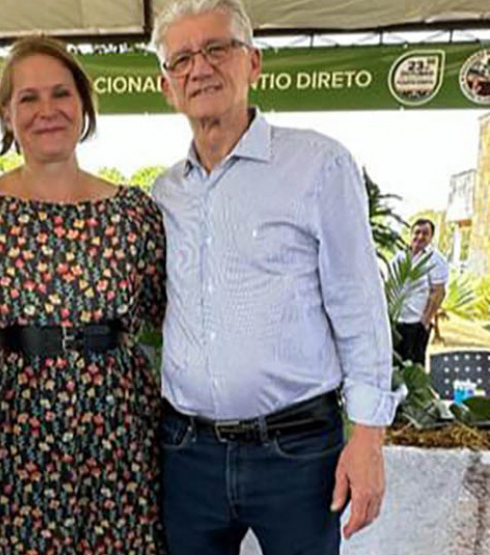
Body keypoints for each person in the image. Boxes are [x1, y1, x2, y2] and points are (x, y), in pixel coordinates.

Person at [149, 1, 402, 554]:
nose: (201, 68)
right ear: (167, 86)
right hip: (187, 453)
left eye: (217, 48)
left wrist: (368, 438)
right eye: (182, 58)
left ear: (253, 62)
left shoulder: (318, 165)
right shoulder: (162, 196)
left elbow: (359, 308)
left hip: (297, 452)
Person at [0, 36, 167, 555]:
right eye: (28, 98)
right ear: (6, 114)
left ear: (83, 106)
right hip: (8, 427)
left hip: (116, 426)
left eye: (60, 94)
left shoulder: (134, 214)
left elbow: (164, 311)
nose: (47, 110)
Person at [391, 218, 448, 365]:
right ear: (411, 235)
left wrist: (425, 321)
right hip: (395, 321)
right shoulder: (400, 256)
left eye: (425, 233)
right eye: (417, 232)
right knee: (394, 365)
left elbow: (438, 292)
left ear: (431, 237)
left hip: (416, 324)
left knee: (413, 367)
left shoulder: (435, 260)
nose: (420, 237)